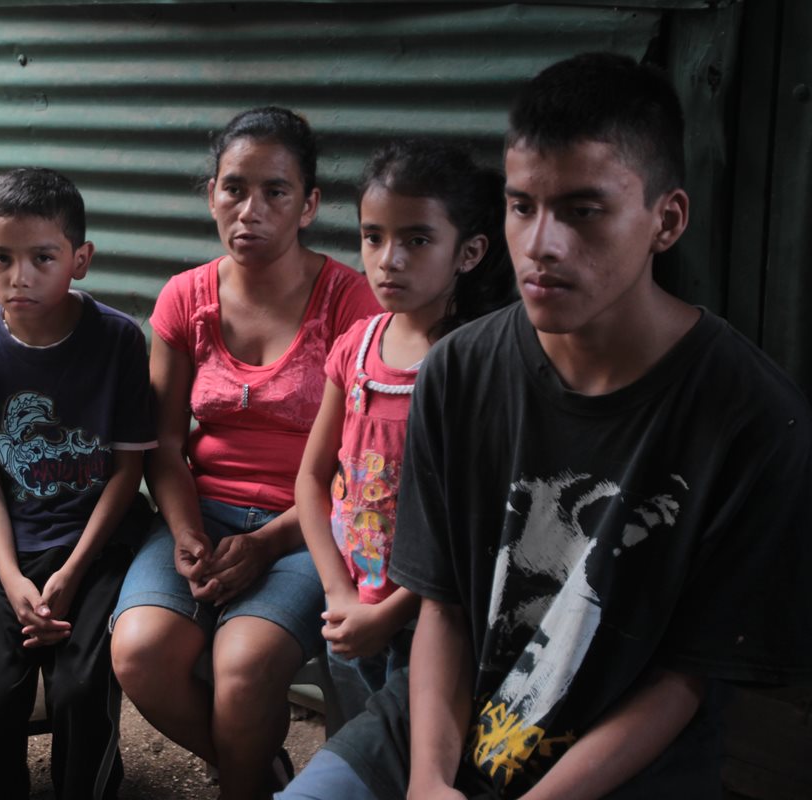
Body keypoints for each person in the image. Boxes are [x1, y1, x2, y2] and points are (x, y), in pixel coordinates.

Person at [278, 51, 812, 800]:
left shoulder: (757, 421)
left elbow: (686, 679)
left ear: (668, 220)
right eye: (523, 206)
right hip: (432, 729)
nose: (541, 244)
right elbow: (446, 606)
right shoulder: (458, 373)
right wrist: (430, 780)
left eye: (583, 210)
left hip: (622, 769)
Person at [109, 106, 381, 799]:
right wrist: (185, 531)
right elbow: (164, 445)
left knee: (243, 663)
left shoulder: (349, 303)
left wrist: (267, 545)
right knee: (140, 652)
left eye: (276, 192)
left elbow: (356, 470)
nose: (250, 210)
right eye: (234, 188)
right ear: (211, 195)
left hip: (308, 527)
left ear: (310, 205)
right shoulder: (184, 298)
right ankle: (257, 775)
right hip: (203, 515)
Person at [0, 167, 156, 799]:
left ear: (80, 260)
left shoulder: (118, 340)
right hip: (14, 546)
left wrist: (73, 571)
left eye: (43, 257)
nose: (21, 276)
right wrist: (12, 579)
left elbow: (128, 470)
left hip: (98, 542)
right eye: (2, 258)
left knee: (80, 690)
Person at [294, 140, 514, 724]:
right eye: (373, 236)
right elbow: (314, 478)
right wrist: (340, 595)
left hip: (432, 617)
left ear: (468, 252)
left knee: (416, 747)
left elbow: (477, 523)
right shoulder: (357, 346)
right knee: (361, 744)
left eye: (416, 240)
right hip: (347, 606)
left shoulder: (476, 365)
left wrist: (388, 615)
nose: (388, 259)